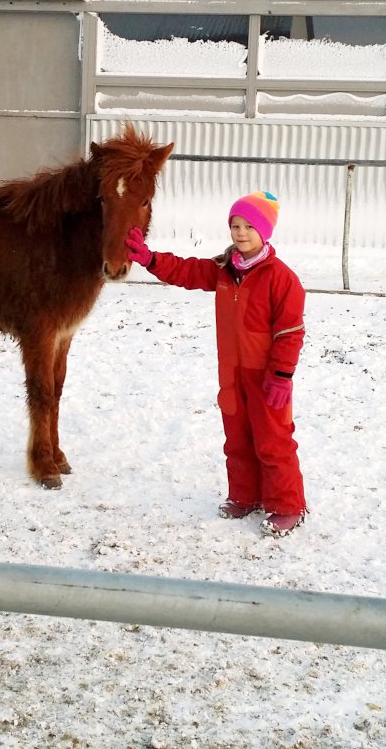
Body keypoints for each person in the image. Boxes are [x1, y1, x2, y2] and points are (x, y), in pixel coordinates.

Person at [124, 191, 309, 537]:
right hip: (232, 374)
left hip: (268, 378)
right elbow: (187, 271)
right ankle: (245, 496)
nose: (240, 233)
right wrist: (150, 259)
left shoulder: (281, 278)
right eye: (235, 225)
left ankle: (288, 506)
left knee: (273, 441)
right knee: (236, 440)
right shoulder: (225, 270)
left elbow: (290, 331)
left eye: (249, 226)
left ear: (265, 231)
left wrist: (282, 375)